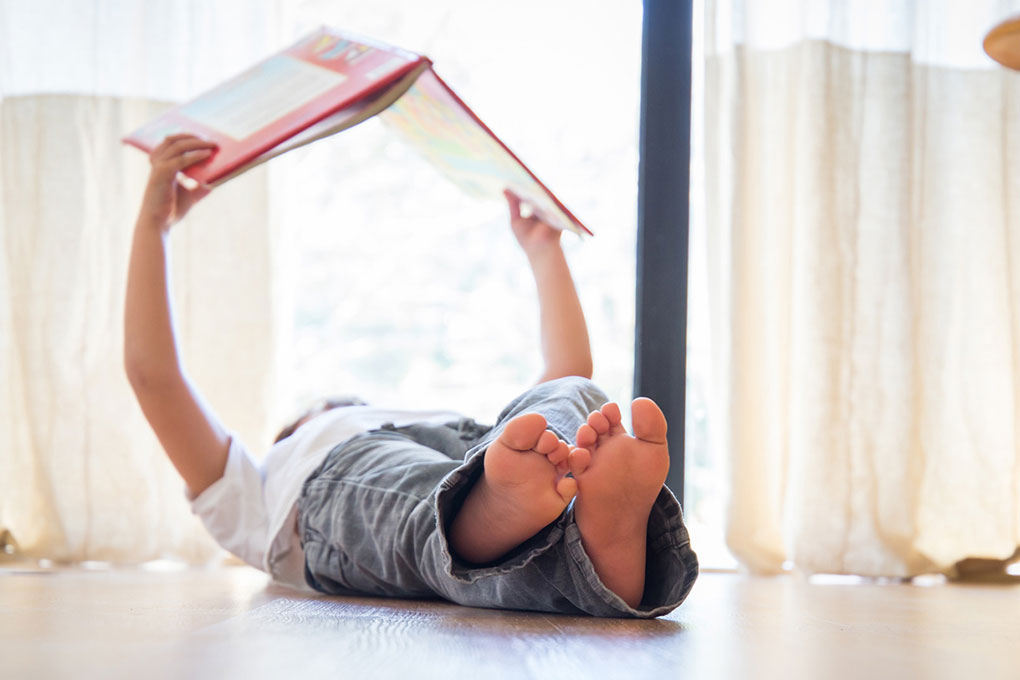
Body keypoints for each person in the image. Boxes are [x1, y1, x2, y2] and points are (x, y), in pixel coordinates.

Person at [124, 134, 698, 618]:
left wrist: (543, 248)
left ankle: (572, 544)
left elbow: (567, 375)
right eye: (319, 409)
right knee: (414, 496)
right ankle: (522, 525)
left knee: (563, 399)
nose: (337, 403)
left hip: (473, 447)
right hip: (350, 469)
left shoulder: (437, 434)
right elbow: (156, 377)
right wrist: (153, 227)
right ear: (293, 431)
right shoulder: (260, 488)